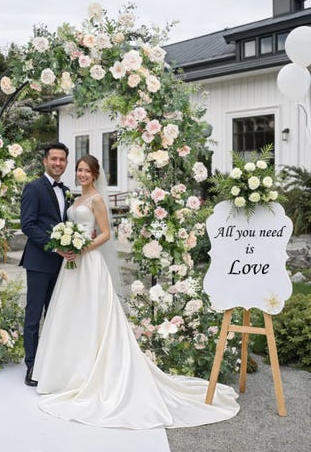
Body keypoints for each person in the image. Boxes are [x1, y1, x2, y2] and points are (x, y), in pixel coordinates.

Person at [32, 154, 240, 429]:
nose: (82, 174)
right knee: (72, 316)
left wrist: (82, 248)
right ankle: (67, 374)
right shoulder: (76, 199)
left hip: (89, 262)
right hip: (71, 265)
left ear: (95, 175)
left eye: (87, 171)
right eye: (79, 170)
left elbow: (105, 233)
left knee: (92, 314)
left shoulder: (96, 199)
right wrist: (68, 246)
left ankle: (89, 372)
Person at [19, 142, 74, 387]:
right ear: (45, 161)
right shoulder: (33, 188)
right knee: (33, 316)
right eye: (54, 159)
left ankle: (50, 363)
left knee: (55, 314)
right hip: (39, 262)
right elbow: (28, 225)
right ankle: (32, 366)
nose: (58, 163)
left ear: (66, 163)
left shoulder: (67, 191)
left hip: (62, 265)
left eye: (62, 160)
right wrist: (54, 246)